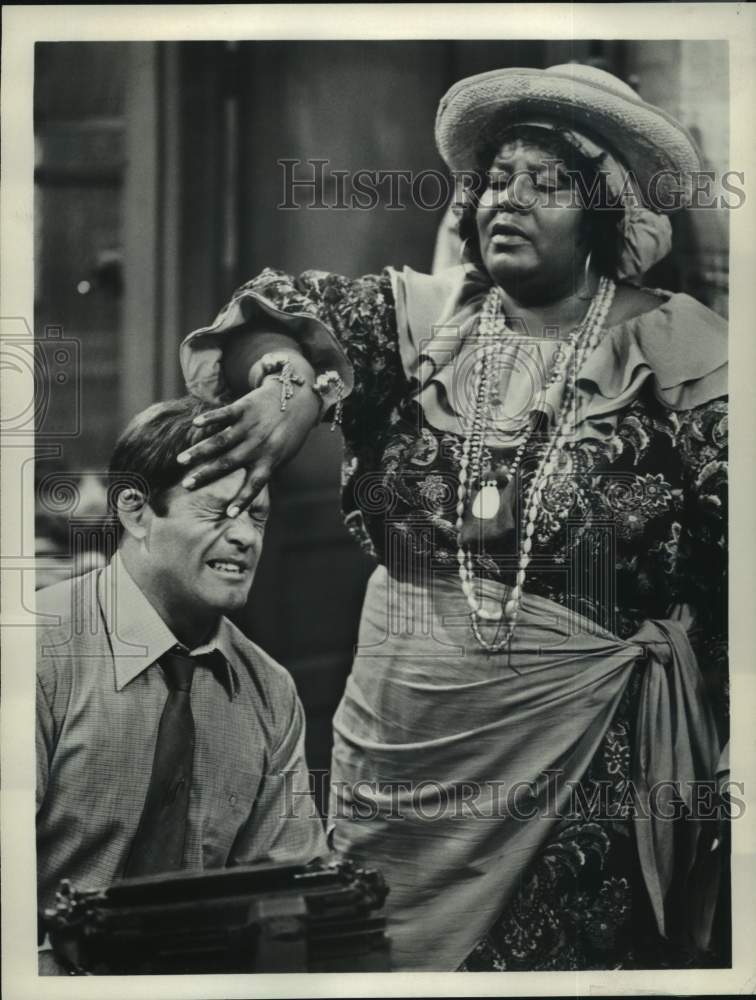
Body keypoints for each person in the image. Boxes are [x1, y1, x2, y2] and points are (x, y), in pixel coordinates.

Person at [177, 64, 728, 971]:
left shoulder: (684, 354)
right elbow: (290, 316)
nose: (508, 199)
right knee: (370, 959)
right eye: (497, 180)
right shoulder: (423, 323)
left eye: (547, 183)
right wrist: (286, 384)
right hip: (396, 747)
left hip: (575, 762)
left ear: (603, 214)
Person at [36, 396, 327, 973]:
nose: (246, 536)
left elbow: (284, 903)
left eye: (257, 515)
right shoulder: (36, 652)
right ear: (137, 512)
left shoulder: (269, 691)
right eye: (220, 511)